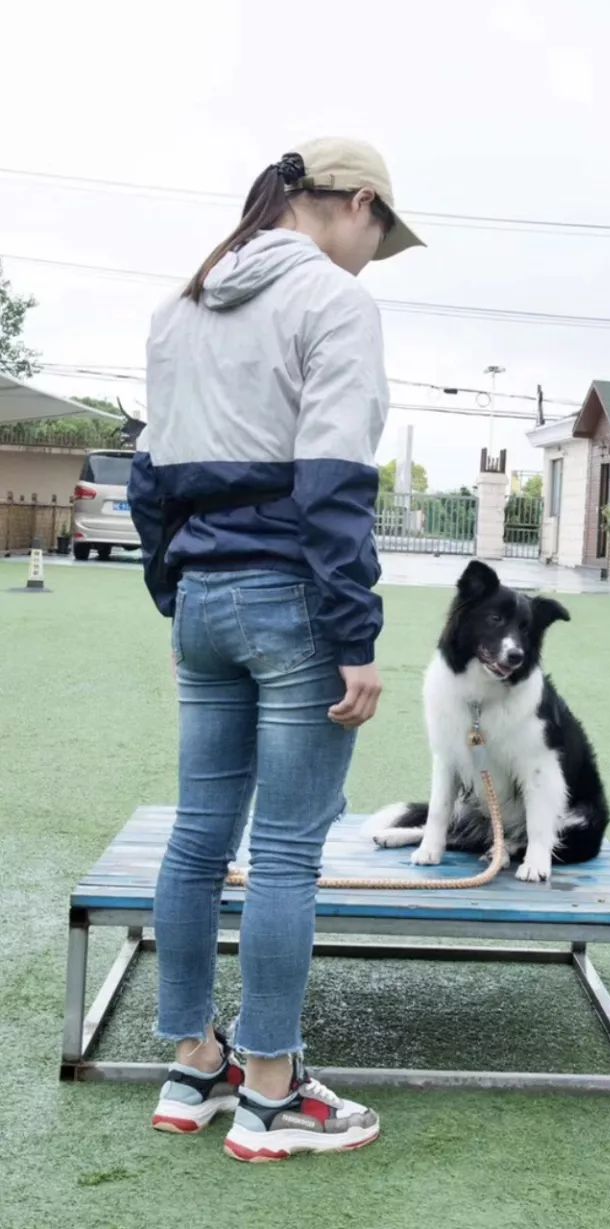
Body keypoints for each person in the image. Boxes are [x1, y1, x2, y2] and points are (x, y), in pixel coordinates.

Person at [129, 137, 423, 1162]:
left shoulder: (182, 304)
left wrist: (179, 600)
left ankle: (191, 1063)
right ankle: (269, 1091)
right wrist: (357, 635)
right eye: (378, 233)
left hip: (203, 595)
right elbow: (334, 484)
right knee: (288, 851)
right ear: (355, 204)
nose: (372, 255)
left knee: (197, 839)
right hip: (292, 599)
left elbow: (150, 484)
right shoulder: (335, 306)